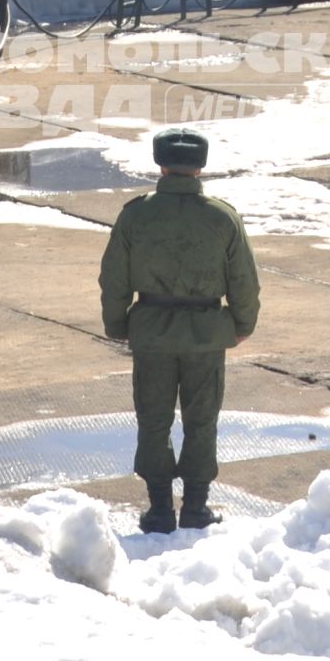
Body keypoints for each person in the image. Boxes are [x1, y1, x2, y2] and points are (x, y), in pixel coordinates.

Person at [99, 127, 260, 534]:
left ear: (160, 163)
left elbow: (114, 277)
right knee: (201, 419)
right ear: (200, 168)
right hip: (206, 333)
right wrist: (242, 325)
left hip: (152, 331)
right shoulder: (222, 217)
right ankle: (196, 506)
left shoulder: (136, 214)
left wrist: (117, 323)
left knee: (153, 418)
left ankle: (158, 509)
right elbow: (244, 280)